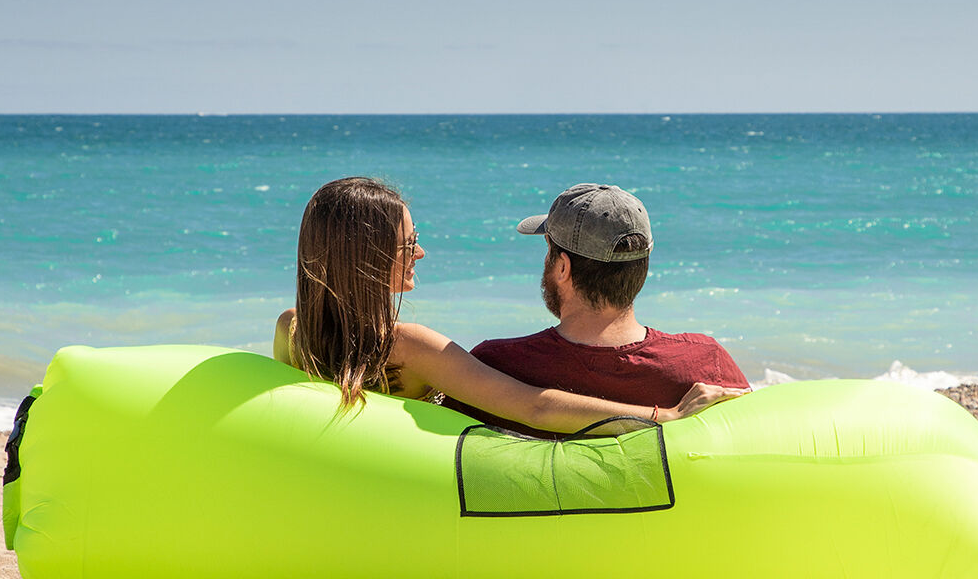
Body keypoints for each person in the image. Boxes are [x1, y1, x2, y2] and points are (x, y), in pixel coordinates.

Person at [273, 176, 735, 436]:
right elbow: (533, 407)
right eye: (409, 243)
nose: (420, 252)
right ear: (366, 258)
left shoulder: (291, 329)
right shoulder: (410, 346)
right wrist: (664, 416)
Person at [443, 183, 749, 435]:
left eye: (548, 251)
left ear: (562, 267)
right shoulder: (706, 364)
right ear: (643, 268)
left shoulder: (495, 367)